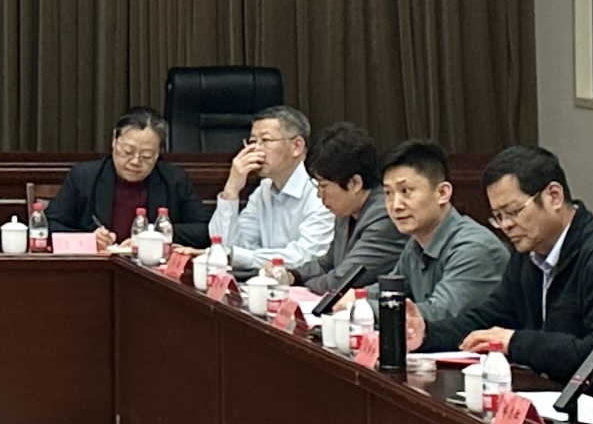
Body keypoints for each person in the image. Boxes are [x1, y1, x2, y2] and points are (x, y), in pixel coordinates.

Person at [462, 145, 593, 389]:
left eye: (513, 211)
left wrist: (517, 343)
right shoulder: (528, 253)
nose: (506, 225)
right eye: (498, 216)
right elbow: (488, 318)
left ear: (554, 196)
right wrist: (424, 333)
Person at [380, 143, 509, 344]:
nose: (395, 205)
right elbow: (391, 288)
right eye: (388, 193)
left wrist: (361, 308)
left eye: (406, 191)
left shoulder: (474, 248)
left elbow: (438, 313)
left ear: (442, 193)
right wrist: (353, 298)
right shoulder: (416, 243)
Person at [43, 110, 199, 246]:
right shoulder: (84, 176)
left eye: (146, 156)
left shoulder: (174, 180)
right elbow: (49, 225)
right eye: (128, 151)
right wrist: (88, 240)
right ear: (114, 141)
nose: (135, 161)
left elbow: (203, 229)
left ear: (158, 153)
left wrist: (156, 235)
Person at [210, 107, 332, 271]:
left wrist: (236, 256)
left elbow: (307, 255)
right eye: (252, 142)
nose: (256, 150)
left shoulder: (320, 190)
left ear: (297, 146)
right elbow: (226, 247)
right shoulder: (264, 190)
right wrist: (231, 190)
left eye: (266, 141)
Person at [285, 127, 397, 300]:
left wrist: (303, 287)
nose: (319, 195)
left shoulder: (385, 216)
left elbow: (341, 281)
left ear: (355, 183)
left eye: (323, 186)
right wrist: (293, 275)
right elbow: (327, 263)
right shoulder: (347, 210)